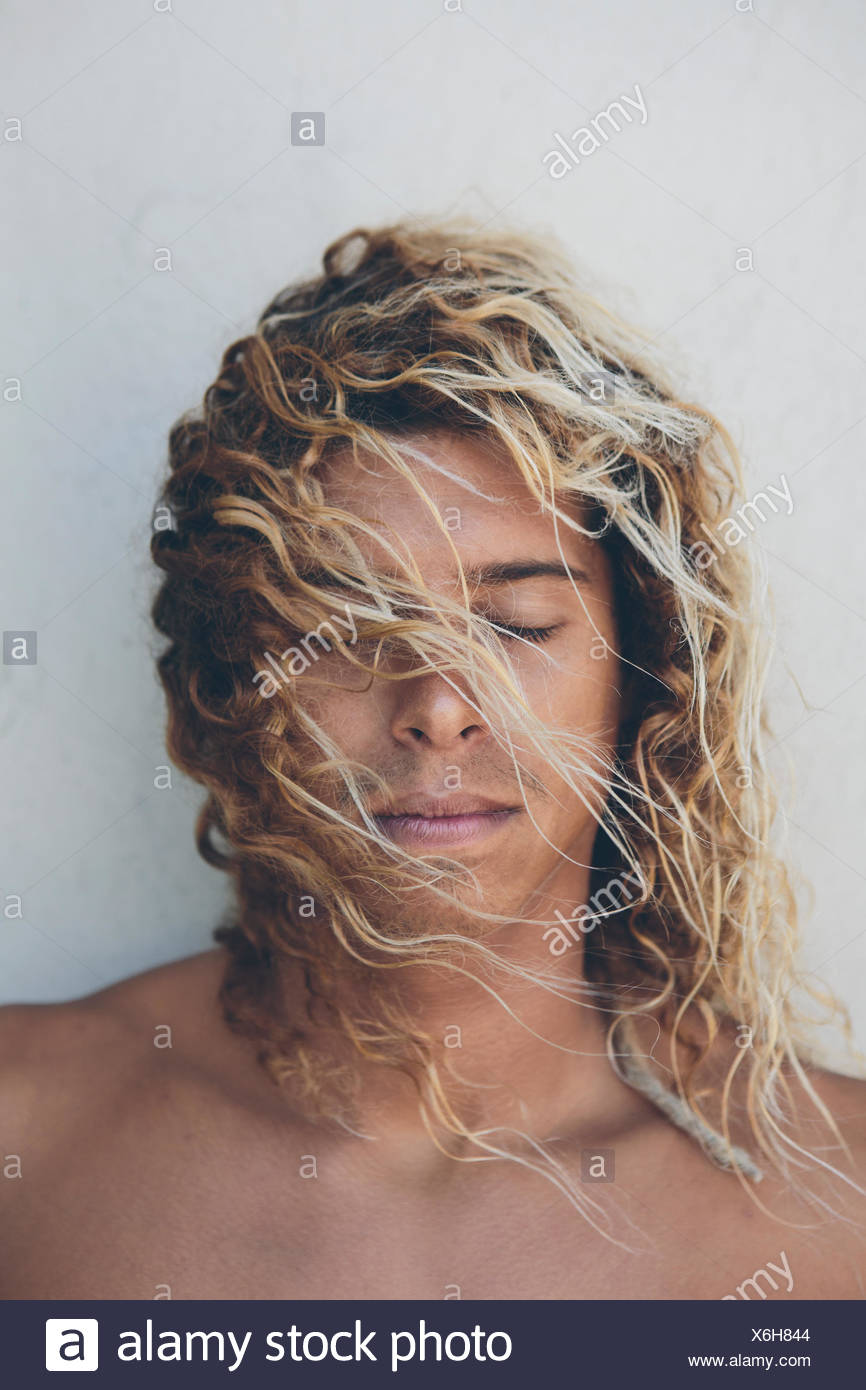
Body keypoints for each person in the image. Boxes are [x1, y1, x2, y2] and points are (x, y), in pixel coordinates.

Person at [1, 220, 864, 1301]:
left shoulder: (836, 1212)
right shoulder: (25, 1135)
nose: (439, 710)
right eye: (346, 626)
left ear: (640, 673)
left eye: (515, 625)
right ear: (231, 682)